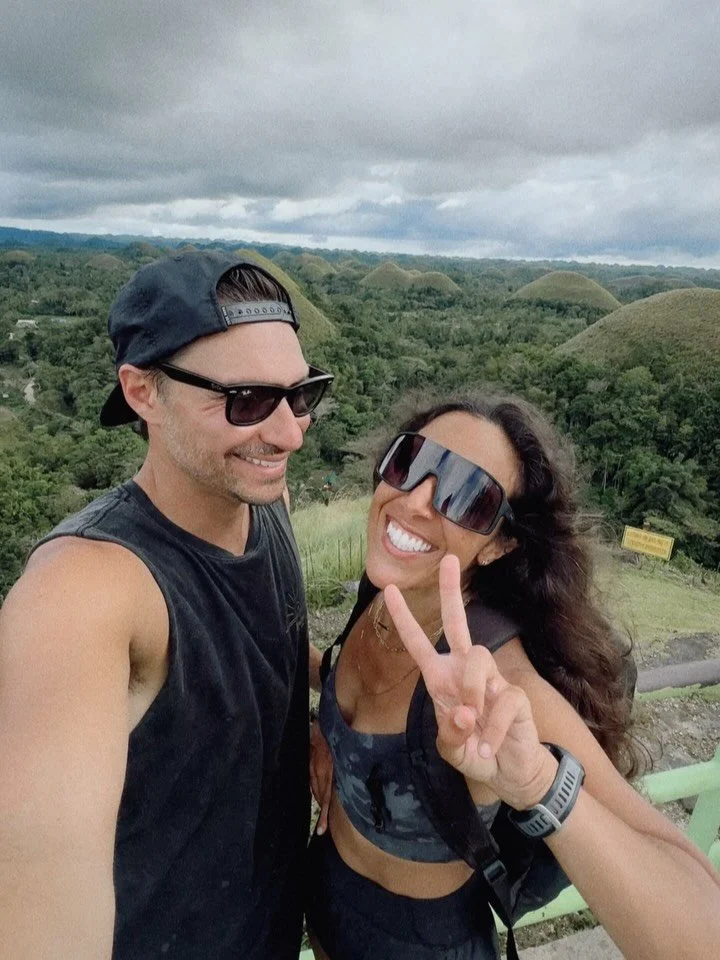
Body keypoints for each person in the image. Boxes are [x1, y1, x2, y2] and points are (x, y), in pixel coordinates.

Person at [0, 251, 333, 960]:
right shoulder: (84, 592)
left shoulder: (258, 497)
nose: (289, 433)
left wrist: (344, 711)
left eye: (300, 395)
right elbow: (41, 895)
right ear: (142, 391)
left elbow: (263, 642)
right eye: (246, 401)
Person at [307, 396, 720, 960]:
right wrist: (321, 729)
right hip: (323, 898)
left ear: (499, 544)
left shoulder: (501, 684)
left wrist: (541, 788)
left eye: (467, 497)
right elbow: (336, 669)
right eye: (410, 462)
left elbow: (703, 934)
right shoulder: (382, 592)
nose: (418, 500)